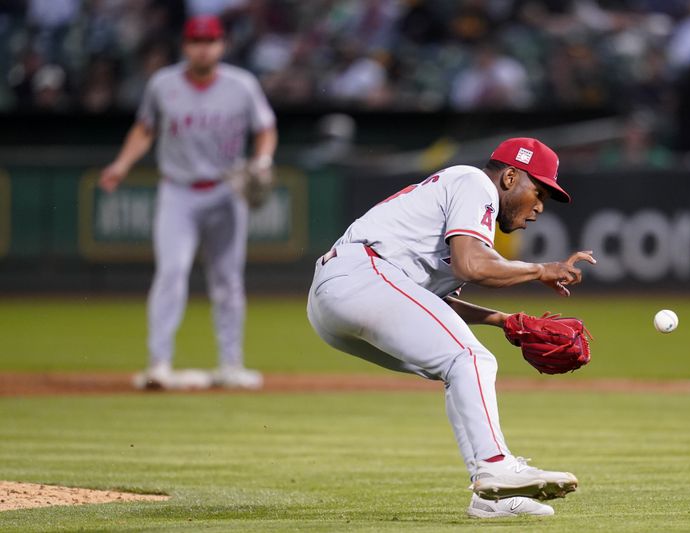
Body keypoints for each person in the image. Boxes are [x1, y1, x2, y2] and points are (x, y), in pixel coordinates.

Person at [307, 138, 595, 518]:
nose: (539, 207)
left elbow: (425, 303)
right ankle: (495, 464)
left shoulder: (462, 213)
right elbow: (472, 266)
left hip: (341, 298)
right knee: (470, 358)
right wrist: (540, 269)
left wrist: (502, 319)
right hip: (361, 275)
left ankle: (490, 497)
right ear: (510, 177)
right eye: (538, 191)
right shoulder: (474, 184)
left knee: (457, 367)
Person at [99, 15, 278, 390]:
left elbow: (265, 129)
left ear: (222, 45)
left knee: (228, 279)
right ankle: (158, 364)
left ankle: (231, 365)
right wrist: (121, 164)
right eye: (197, 41)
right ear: (185, 46)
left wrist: (262, 161)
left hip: (228, 190)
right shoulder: (163, 84)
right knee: (171, 272)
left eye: (210, 41)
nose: (203, 47)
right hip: (178, 191)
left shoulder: (241, 85)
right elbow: (145, 129)